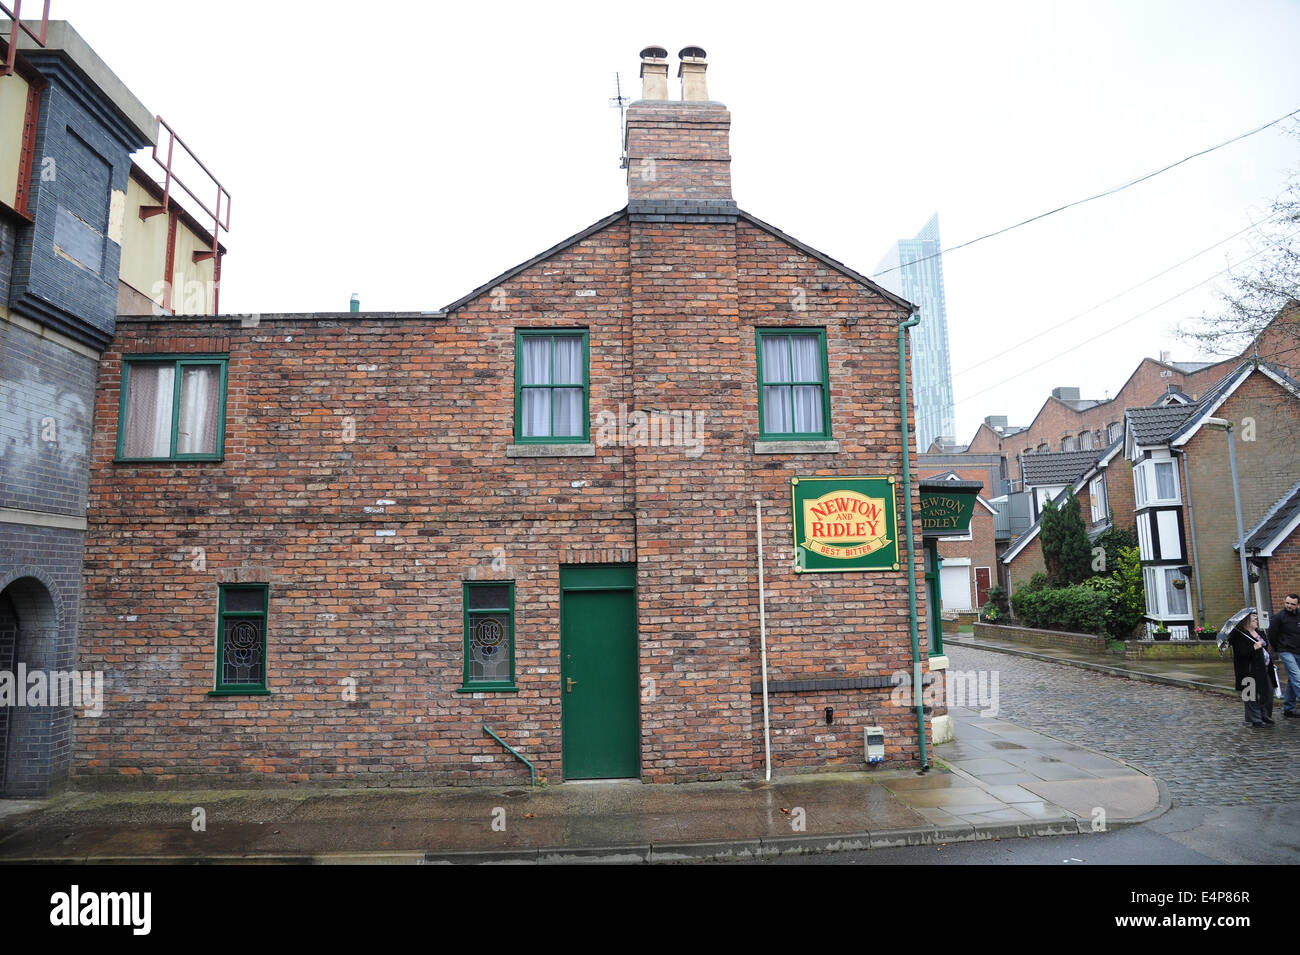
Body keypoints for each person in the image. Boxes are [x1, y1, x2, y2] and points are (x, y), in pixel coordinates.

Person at [1229, 609, 1275, 727]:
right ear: (1247, 622)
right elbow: (1240, 653)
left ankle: (1265, 714)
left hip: (1264, 668)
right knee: (1250, 695)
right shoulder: (1238, 635)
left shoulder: (1260, 632)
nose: (1256, 621)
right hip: (1248, 670)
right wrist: (1254, 647)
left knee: (1268, 692)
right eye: (1254, 620)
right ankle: (1254, 719)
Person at [1269, 592, 1300, 718]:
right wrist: (1278, 648)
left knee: (1293, 680)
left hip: (1299, 651)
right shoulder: (1278, 617)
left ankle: (1288, 708)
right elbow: (1272, 635)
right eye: (1287, 603)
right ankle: (1289, 707)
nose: (1289, 606)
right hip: (1286, 651)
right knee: (1297, 678)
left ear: (1298, 605)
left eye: (1292, 604)